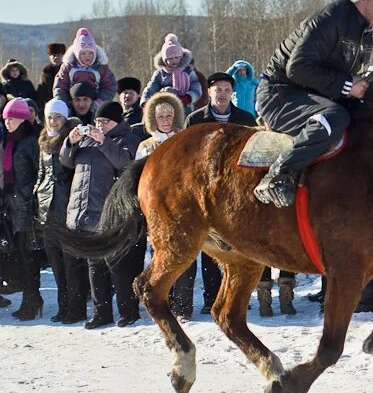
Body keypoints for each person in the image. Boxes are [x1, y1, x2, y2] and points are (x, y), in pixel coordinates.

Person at [254, 0, 373, 207]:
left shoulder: (366, 30)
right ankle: (277, 175)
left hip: (313, 94)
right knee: (335, 117)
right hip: (279, 93)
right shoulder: (331, 20)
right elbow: (297, 68)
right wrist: (349, 84)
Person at [60, 101, 143, 328]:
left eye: (105, 121)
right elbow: (66, 161)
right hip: (84, 211)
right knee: (94, 265)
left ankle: (129, 311)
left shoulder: (128, 139)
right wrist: (71, 141)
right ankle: (101, 312)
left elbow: (126, 164)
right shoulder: (86, 139)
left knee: (119, 266)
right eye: (97, 121)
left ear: (117, 121)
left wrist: (104, 142)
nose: (100, 125)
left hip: (112, 213)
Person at [185, 72, 256, 314]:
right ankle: (210, 297)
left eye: (227, 89)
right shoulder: (196, 120)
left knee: (237, 243)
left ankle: (237, 298)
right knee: (210, 244)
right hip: (204, 187)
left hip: (235, 187)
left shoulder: (245, 118)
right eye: (218, 89)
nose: (222, 94)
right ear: (210, 92)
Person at [136, 92, 196, 320]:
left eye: (170, 115)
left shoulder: (184, 140)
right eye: (161, 116)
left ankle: (183, 306)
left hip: (182, 207)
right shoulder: (145, 145)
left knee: (186, 257)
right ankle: (164, 303)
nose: (166, 120)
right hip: (156, 209)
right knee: (160, 257)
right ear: (153, 118)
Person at [35, 100, 90, 323]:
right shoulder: (43, 141)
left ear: (65, 118)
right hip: (46, 209)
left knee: (72, 263)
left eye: (58, 116)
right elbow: (41, 174)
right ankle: (63, 306)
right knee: (57, 265)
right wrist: (36, 198)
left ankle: (76, 308)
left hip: (67, 205)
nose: (53, 121)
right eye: (50, 116)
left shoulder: (73, 139)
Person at [2, 98, 42, 319]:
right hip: (12, 206)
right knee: (19, 255)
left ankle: (32, 300)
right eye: (6, 118)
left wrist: (25, 194)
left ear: (23, 119)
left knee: (29, 257)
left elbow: (40, 173)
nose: (7, 122)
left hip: (26, 207)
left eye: (12, 118)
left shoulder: (30, 140)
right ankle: (31, 298)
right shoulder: (10, 140)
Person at [52, 27, 116, 106]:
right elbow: (60, 86)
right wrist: (64, 104)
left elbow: (110, 86)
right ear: (76, 54)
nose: (87, 56)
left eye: (90, 53)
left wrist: (100, 101)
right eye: (83, 53)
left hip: (95, 104)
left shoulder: (100, 67)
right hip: (72, 104)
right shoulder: (69, 66)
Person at [140, 34, 202, 113]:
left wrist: (188, 97)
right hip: (163, 106)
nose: (174, 61)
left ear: (181, 57)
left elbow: (196, 88)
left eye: (176, 57)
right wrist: (146, 102)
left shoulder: (188, 72)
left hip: (184, 106)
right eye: (170, 59)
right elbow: (151, 87)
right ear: (165, 60)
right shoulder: (160, 73)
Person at [37, 43, 66, 109]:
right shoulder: (46, 72)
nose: (55, 57)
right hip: (50, 105)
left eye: (58, 55)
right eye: (53, 55)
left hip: (65, 104)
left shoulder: (68, 71)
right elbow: (41, 92)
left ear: (63, 56)